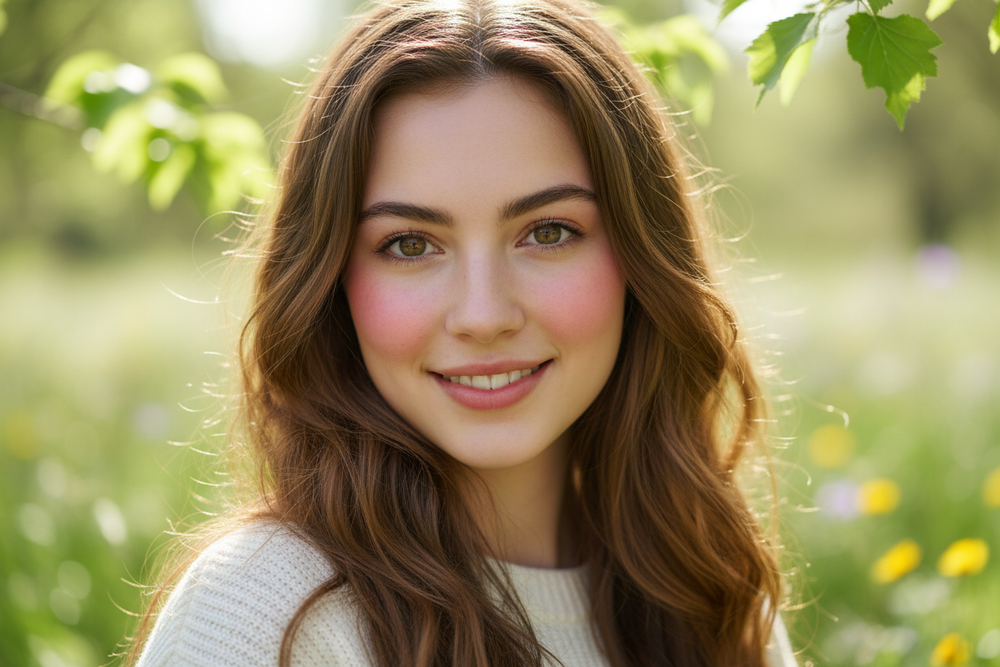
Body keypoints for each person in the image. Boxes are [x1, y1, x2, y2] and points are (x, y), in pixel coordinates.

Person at [129, 0, 797, 665]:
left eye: (549, 232)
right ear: (331, 282)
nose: (483, 315)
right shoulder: (260, 613)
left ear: (640, 257)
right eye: (411, 244)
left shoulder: (709, 592)